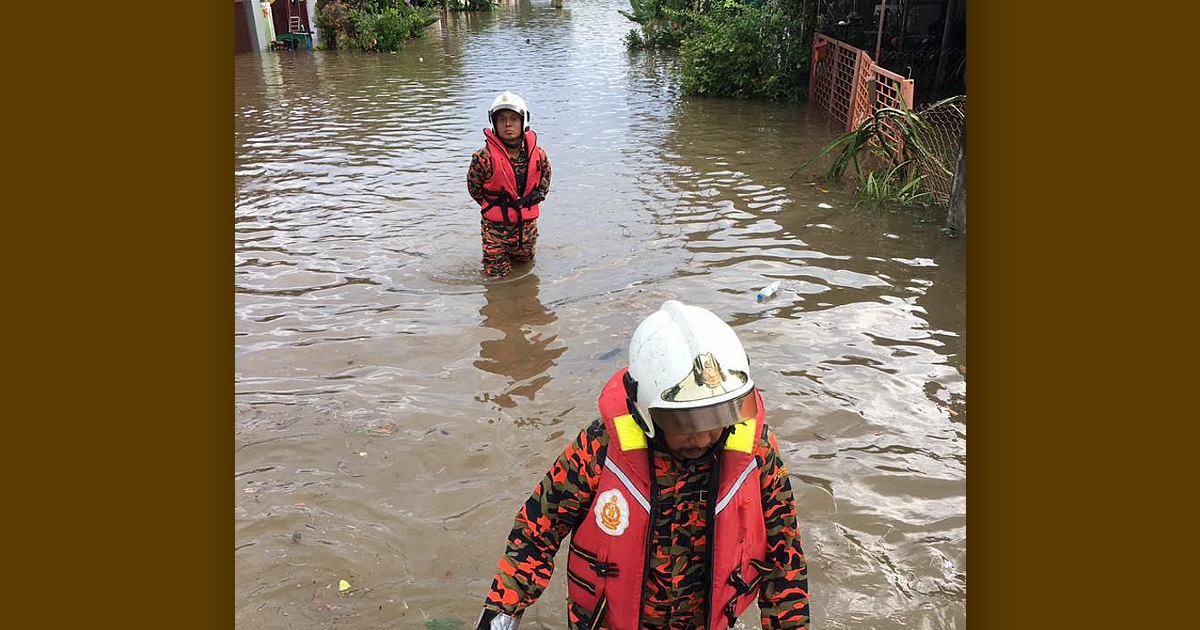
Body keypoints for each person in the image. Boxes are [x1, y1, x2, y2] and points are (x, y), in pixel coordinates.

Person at [474, 301, 810, 630]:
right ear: (646, 410)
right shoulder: (600, 448)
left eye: (719, 415)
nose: (705, 435)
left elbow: (785, 557)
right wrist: (501, 614)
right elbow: (537, 529)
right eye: (687, 421)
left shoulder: (757, 454)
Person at [467, 91, 552, 279]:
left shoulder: (539, 155)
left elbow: (544, 184)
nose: (508, 124)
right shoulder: (483, 158)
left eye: (513, 119)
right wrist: (497, 205)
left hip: (526, 229)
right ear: (494, 123)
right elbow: (474, 189)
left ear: (523, 121)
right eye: (502, 119)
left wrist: (525, 205)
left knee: (527, 274)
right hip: (495, 231)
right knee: (497, 279)